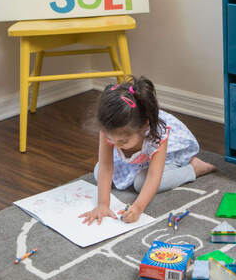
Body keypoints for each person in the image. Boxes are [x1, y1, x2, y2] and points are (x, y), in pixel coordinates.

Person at [79, 76, 216, 225]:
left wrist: (138, 207)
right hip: (137, 156)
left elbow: (153, 176)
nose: (116, 146)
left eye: (123, 141)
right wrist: (103, 205)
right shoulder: (109, 129)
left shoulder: (157, 134)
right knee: (98, 170)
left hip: (169, 153)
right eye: (112, 140)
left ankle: (194, 168)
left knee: (140, 183)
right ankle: (133, 158)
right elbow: (106, 167)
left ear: (143, 127)